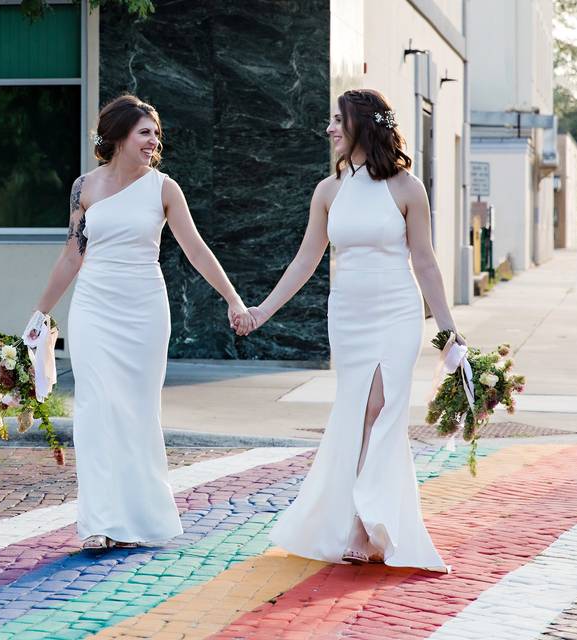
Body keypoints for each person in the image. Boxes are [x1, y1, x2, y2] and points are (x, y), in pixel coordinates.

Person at [238, 89, 461, 572]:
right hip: (349, 315)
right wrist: (262, 311)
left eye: (338, 120)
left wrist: (447, 329)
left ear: (363, 124)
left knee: (380, 407)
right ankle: (365, 514)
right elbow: (306, 260)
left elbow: (423, 260)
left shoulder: (406, 187)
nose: (330, 128)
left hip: (397, 311)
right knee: (358, 412)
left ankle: (364, 523)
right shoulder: (328, 190)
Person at [31, 94, 253, 550]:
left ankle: (139, 517)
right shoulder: (84, 187)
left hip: (145, 310)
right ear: (117, 136)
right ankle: (98, 521)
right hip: (94, 307)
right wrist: (41, 313)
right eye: (145, 132)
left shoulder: (164, 188)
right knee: (95, 409)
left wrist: (233, 299)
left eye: (156, 133)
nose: (154, 140)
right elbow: (73, 253)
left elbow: (195, 249)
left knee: (136, 413)